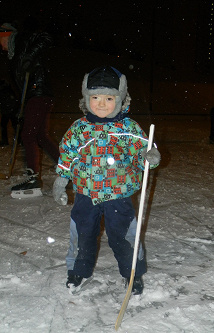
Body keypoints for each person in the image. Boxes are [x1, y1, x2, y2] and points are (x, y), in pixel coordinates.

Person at [53, 66, 161, 294]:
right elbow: (67, 155)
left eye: (109, 98)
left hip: (118, 195)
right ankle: (77, 270)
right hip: (86, 194)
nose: (101, 103)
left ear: (120, 99)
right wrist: (61, 179)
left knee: (124, 236)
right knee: (82, 234)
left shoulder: (129, 129)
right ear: (86, 99)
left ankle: (132, 272)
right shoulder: (79, 129)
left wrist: (151, 157)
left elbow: (145, 155)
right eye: (95, 97)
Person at [0, 20, 60, 198]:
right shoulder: (14, 53)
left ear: (6, 34)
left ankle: (32, 177)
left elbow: (46, 37)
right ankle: (67, 169)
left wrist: (30, 57)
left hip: (39, 92)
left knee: (28, 135)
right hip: (36, 95)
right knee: (40, 135)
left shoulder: (22, 40)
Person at [0, 79, 19, 146]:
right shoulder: (9, 90)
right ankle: (19, 140)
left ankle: (6, 141)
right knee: (15, 125)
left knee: (5, 125)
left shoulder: (4, 91)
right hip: (11, 110)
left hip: (8, 111)